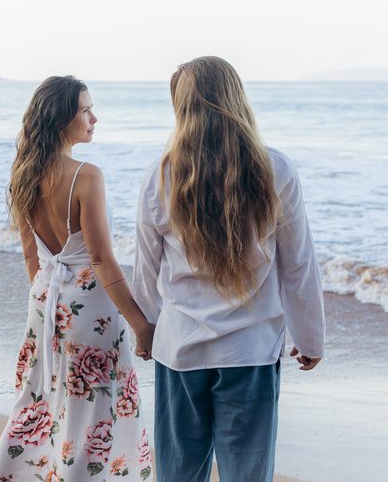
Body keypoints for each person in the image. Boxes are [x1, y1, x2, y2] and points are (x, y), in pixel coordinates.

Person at [132, 56, 326, 482]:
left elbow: (145, 268)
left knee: (178, 474)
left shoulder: (160, 176)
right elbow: (298, 264)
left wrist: (145, 330)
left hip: (180, 348)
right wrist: (310, 336)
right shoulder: (274, 169)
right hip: (250, 350)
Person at [0, 76, 155, 482]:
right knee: (92, 418)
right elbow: (100, 259)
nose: (94, 118)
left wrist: (50, 304)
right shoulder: (86, 176)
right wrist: (142, 326)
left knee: (37, 406)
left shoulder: (23, 173)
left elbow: (32, 257)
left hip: (45, 304)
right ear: (61, 118)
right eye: (85, 110)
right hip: (89, 309)